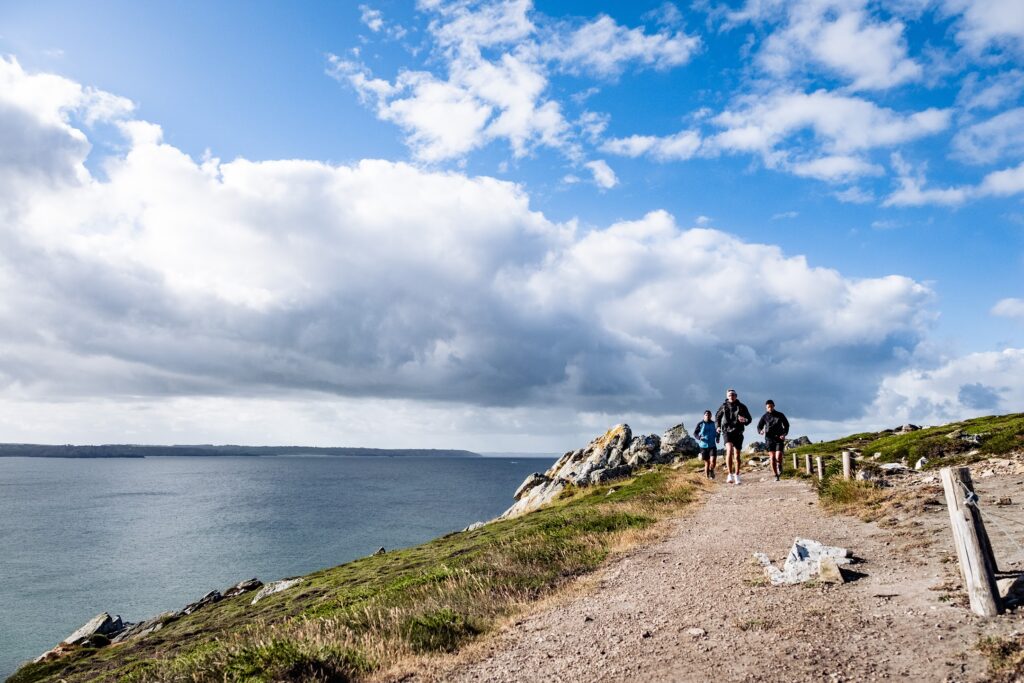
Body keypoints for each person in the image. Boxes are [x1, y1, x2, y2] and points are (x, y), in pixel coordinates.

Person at [716, 388, 752, 485]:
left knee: (737, 455)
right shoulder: (723, 406)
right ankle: (729, 474)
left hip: (738, 432)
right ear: (727, 397)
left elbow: (749, 419)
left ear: (736, 396)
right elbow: (717, 417)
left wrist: (744, 420)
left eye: (733, 395)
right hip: (726, 431)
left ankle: (737, 475)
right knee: (729, 450)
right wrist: (718, 427)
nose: (731, 397)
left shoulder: (742, 406)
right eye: (729, 395)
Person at [757, 399, 790, 481]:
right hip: (769, 439)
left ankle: (779, 465)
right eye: (768, 407)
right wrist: (760, 431)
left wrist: (784, 434)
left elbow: (786, 425)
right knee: (772, 458)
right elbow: (759, 426)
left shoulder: (780, 415)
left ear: (774, 406)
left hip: (779, 437)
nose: (770, 408)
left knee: (778, 456)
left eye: (771, 406)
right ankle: (776, 475)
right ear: (766, 408)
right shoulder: (764, 417)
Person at [693, 410, 718, 479]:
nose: (708, 416)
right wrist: (699, 437)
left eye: (709, 415)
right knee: (707, 463)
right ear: (704, 416)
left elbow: (718, 432)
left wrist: (717, 438)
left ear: (711, 416)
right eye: (706, 415)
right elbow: (695, 433)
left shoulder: (714, 424)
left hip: (712, 445)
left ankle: (711, 470)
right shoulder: (700, 424)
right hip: (703, 446)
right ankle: (707, 478)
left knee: (713, 461)